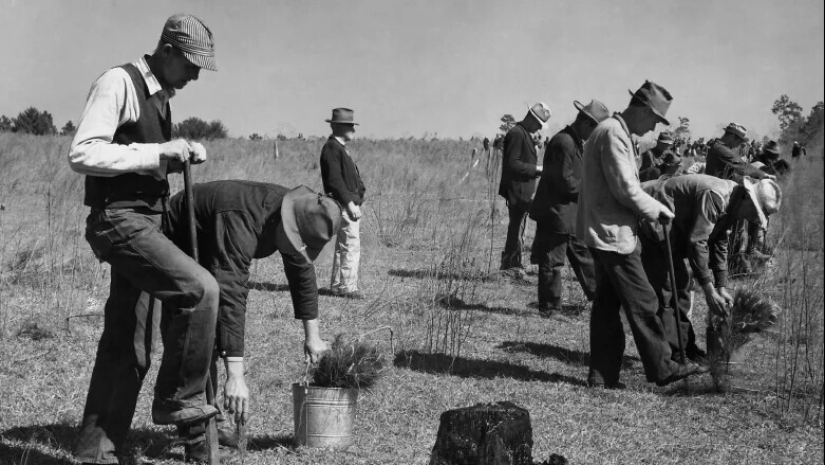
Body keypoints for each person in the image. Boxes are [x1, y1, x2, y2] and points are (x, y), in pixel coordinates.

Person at [67, 14, 222, 464]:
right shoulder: (119, 82)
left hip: (144, 221)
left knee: (128, 344)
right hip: (119, 220)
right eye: (191, 64)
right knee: (201, 290)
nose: (195, 75)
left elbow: (136, 158)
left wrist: (173, 157)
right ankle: (181, 401)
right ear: (168, 50)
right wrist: (158, 152)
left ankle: (95, 450)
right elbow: (83, 152)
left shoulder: (160, 97)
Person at [164, 181, 338, 459]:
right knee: (195, 335)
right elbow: (231, 294)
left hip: (213, 246)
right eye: (296, 242)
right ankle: (196, 434)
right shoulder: (242, 220)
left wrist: (312, 336)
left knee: (209, 329)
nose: (296, 249)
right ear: (286, 224)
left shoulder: (297, 212)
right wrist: (236, 376)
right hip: (177, 238)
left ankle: (209, 419)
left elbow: (302, 273)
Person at [577, 80, 706, 389]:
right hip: (612, 233)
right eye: (655, 119)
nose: (653, 128)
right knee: (644, 300)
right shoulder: (613, 134)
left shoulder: (615, 132)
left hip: (607, 229)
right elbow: (625, 188)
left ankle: (602, 376)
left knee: (607, 306)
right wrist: (657, 209)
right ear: (643, 110)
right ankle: (663, 369)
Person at [639, 174, 782, 361]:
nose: (753, 218)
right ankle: (675, 352)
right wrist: (708, 289)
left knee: (680, 286)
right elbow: (698, 242)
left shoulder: (735, 203)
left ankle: (685, 348)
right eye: (755, 211)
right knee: (669, 286)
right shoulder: (716, 196)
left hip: (668, 230)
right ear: (747, 196)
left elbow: (720, 241)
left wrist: (721, 286)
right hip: (647, 219)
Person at [529, 100, 609, 317]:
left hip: (570, 215)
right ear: (584, 122)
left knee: (584, 259)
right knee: (552, 263)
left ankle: (604, 304)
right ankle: (550, 309)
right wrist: (591, 189)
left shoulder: (573, 141)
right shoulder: (564, 142)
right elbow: (565, 181)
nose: (594, 135)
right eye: (594, 129)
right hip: (556, 214)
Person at [498, 102, 551, 270]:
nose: (539, 129)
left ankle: (513, 264)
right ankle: (511, 265)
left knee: (518, 228)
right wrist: (537, 169)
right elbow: (512, 164)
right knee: (517, 228)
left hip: (523, 191)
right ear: (531, 119)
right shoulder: (516, 133)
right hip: (517, 191)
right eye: (538, 124)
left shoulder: (524, 134)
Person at [320, 108, 367, 299]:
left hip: (343, 205)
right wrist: (350, 204)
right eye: (349, 126)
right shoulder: (332, 148)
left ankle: (339, 285)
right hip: (343, 206)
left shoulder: (337, 148)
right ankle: (347, 287)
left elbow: (347, 179)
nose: (353, 130)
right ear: (338, 126)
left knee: (343, 246)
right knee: (350, 245)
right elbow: (335, 181)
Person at [705, 123, 772, 182]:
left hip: (719, 181)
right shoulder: (720, 149)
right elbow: (742, 166)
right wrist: (764, 175)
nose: (738, 145)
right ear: (732, 137)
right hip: (717, 185)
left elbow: (731, 173)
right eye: (739, 142)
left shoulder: (717, 145)